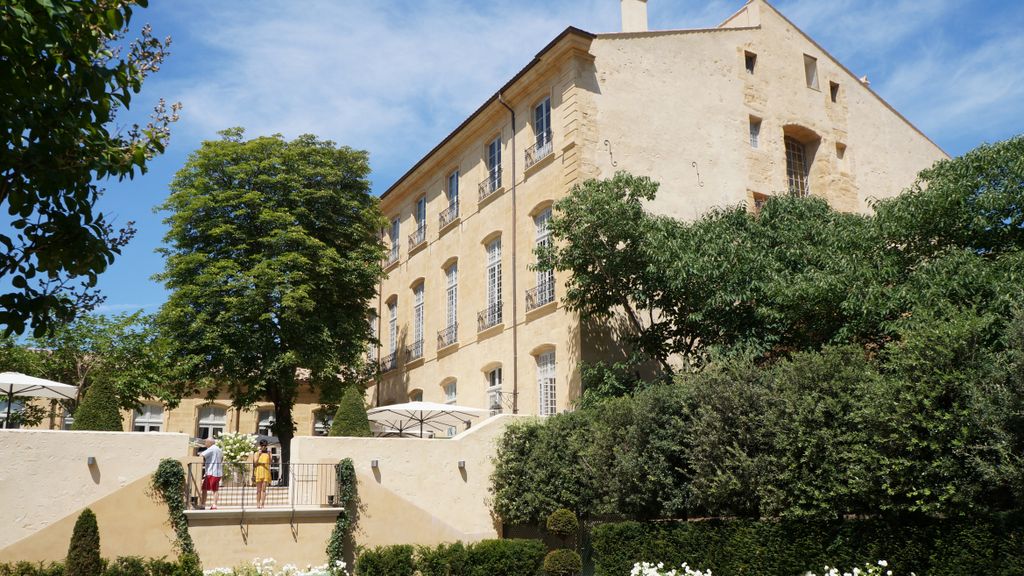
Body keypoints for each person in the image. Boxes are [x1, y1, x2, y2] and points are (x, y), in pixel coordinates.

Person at [199, 438, 224, 510]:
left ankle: (204, 504)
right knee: (214, 489)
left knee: (206, 489)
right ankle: (214, 505)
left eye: (206, 442)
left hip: (211, 471)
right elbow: (222, 459)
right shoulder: (219, 449)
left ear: (210, 443)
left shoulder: (211, 448)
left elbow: (201, 455)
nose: (205, 444)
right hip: (217, 472)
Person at [252, 439, 272, 509]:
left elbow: (270, 462)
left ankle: (262, 504)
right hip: (259, 471)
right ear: (260, 446)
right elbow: (255, 463)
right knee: (258, 490)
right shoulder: (256, 453)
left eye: (265, 446)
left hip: (266, 472)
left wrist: (269, 455)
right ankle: (258, 503)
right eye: (262, 445)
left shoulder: (268, 453)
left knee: (264, 489)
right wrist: (259, 455)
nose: (264, 447)